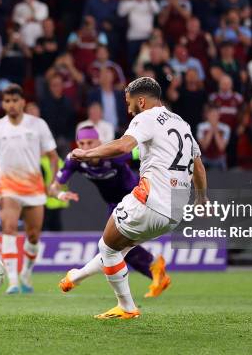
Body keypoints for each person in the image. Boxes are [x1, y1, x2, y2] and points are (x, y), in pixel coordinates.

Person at [61, 77, 207, 319]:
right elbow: (199, 168)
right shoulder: (183, 124)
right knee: (116, 250)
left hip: (150, 200)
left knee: (106, 247)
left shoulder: (146, 117)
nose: (128, 110)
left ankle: (126, 307)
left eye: (129, 104)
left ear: (141, 101)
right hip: (175, 212)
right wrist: (202, 200)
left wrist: (87, 154)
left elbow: (123, 146)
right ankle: (75, 276)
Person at [53, 125, 171, 299]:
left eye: (90, 142)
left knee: (112, 247)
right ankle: (156, 269)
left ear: (99, 142)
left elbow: (143, 151)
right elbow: (53, 188)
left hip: (135, 199)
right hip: (114, 205)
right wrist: (61, 194)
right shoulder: (74, 160)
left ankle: (82, 279)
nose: (86, 147)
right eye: (82, 143)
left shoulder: (114, 154)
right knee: (118, 249)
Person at [0, 84, 59, 294]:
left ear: (23, 102)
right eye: (7, 101)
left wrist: (53, 182)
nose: (11, 105)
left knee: (33, 236)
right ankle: (13, 281)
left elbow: (53, 156)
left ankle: (25, 272)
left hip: (34, 189)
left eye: (15, 100)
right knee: (8, 229)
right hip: (8, 188)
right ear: (3, 103)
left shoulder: (38, 125)